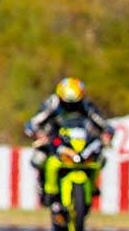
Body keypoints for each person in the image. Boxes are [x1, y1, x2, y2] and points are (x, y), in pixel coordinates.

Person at [23, 78, 114, 206]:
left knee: (100, 158)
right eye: (67, 103)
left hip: (79, 143)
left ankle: (93, 186)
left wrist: (107, 135)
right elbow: (32, 123)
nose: (71, 106)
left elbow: (104, 124)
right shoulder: (52, 103)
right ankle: (44, 187)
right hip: (55, 139)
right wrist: (38, 134)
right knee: (39, 158)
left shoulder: (86, 105)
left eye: (75, 103)